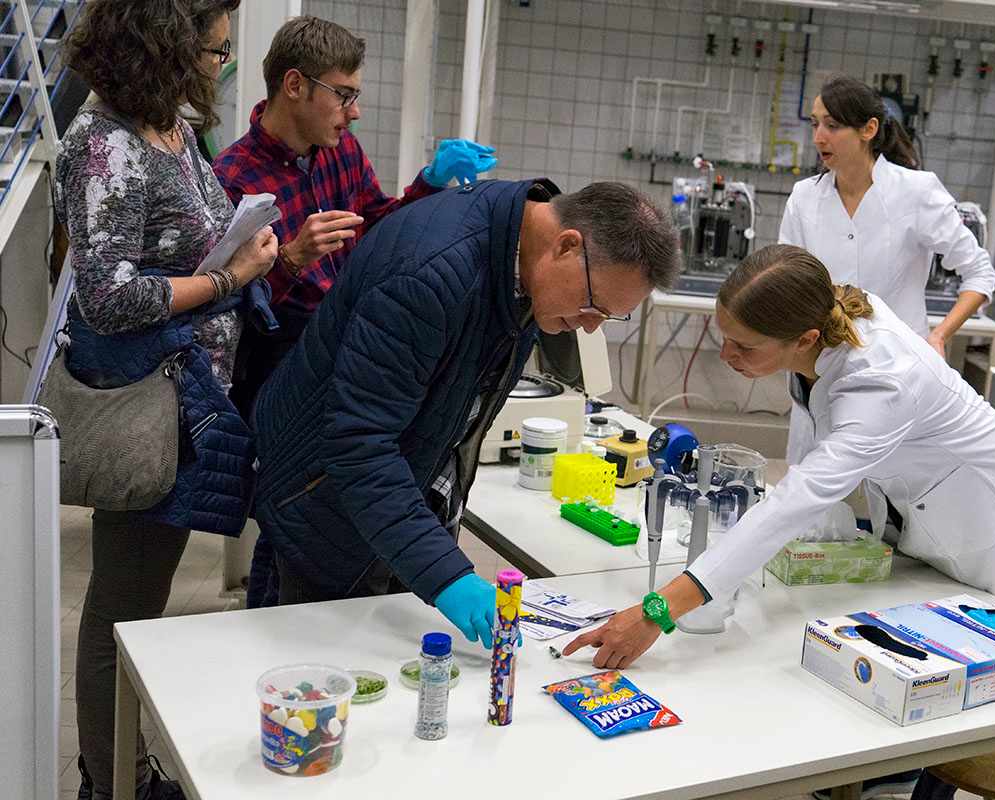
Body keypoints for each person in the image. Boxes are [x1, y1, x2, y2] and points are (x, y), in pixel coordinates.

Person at [564, 244, 995, 671]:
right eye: (725, 338)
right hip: (921, 511)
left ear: (804, 339)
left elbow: (797, 498)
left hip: (989, 528)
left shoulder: (881, 382)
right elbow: (810, 461)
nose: (726, 355)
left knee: (994, 657)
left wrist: (657, 611)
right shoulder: (819, 329)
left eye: (743, 345)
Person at [250, 180, 680, 644]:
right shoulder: (429, 273)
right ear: (567, 246)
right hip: (320, 506)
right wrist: (445, 574)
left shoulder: (517, 249)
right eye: (594, 307)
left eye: (610, 317)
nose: (591, 326)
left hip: (391, 503)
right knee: (312, 690)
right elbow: (358, 445)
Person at [54, 1, 278, 798]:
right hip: (147, 405)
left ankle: (123, 766)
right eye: (215, 50)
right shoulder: (104, 146)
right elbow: (109, 297)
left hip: (189, 399)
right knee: (122, 612)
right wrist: (228, 278)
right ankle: (109, 780)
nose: (221, 65)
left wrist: (247, 247)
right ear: (167, 48)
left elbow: (190, 238)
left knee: (139, 608)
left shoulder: (171, 133)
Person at [212, 15, 498, 419]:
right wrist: (292, 258)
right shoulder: (233, 178)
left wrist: (431, 180)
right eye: (344, 95)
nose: (356, 111)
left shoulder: (341, 151)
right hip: (276, 366)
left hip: (347, 343)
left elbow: (378, 231)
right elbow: (227, 309)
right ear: (295, 85)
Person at [778, 76, 995, 358]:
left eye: (832, 125)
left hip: (899, 364)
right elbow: (787, 281)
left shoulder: (916, 191)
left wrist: (939, 336)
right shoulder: (804, 197)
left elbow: (979, 271)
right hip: (822, 363)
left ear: (869, 129)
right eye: (815, 124)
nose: (819, 137)